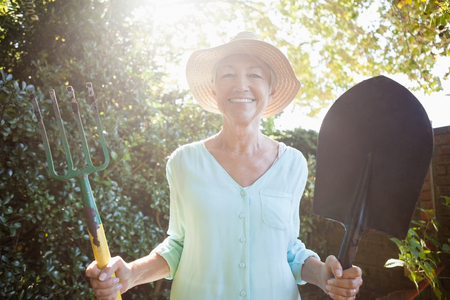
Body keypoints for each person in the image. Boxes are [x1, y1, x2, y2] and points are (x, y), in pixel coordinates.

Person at [86, 31, 363, 300]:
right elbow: (179, 245)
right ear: (213, 88)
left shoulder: (293, 164)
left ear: (271, 89)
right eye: (228, 74)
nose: (241, 85)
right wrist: (131, 274)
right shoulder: (184, 162)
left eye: (254, 75)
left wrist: (324, 276)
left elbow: (289, 250)